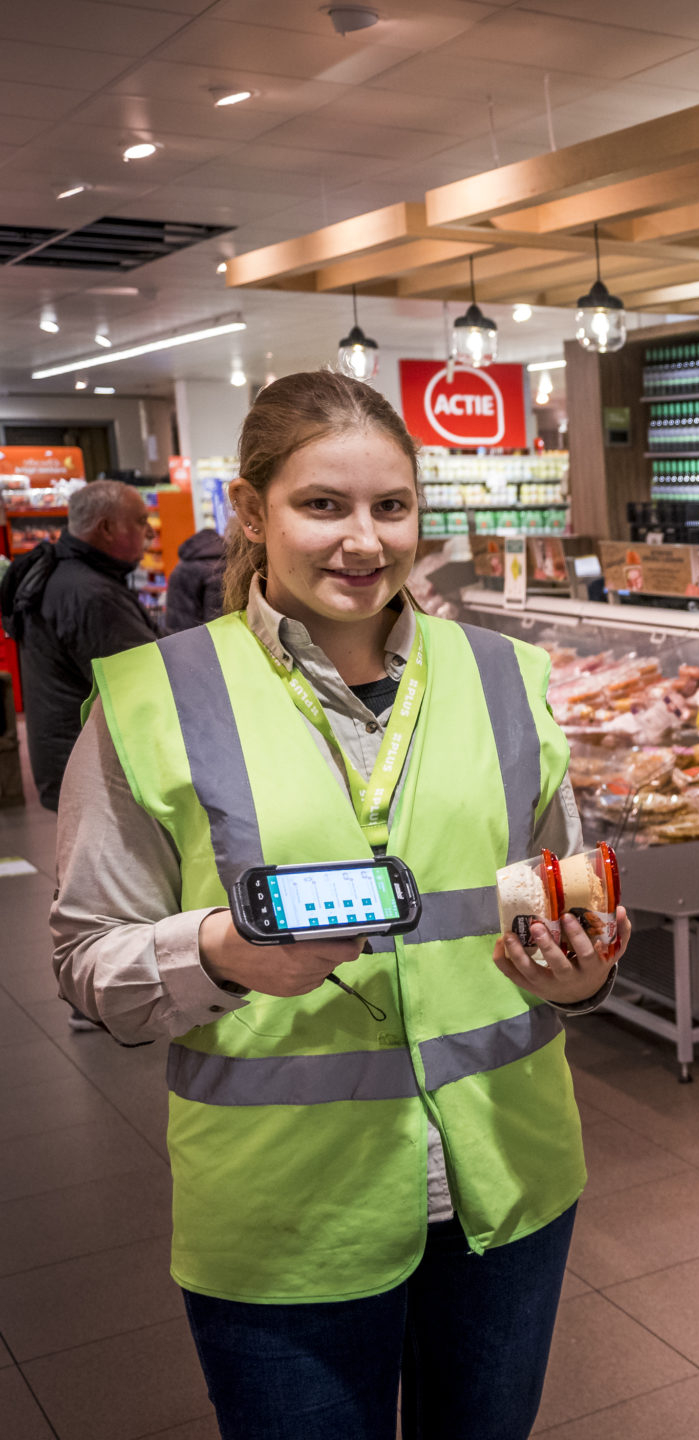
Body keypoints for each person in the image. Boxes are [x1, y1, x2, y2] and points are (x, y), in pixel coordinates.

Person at [51, 371, 628, 1440]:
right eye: (323, 505)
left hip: (508, 1187)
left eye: (390, 506)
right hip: (286, 1218)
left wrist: (584, 974)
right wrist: (219, 954)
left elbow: (559, 896)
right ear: (250, 513)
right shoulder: (151, 696)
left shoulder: (508, 677)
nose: (363, 540)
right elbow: (90, 963)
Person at [0, 477, 158, 808]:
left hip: (69, 762)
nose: (150, 531)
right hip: (94, 774)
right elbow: (148, 683)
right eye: (141, 521)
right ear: (107, 528)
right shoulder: (91, 594)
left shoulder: (65, 574)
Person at [162, 524, 229, 632]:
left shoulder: (182, 565)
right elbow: (215, 619)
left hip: (176, 636)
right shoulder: (216, 568)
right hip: (198, 639)